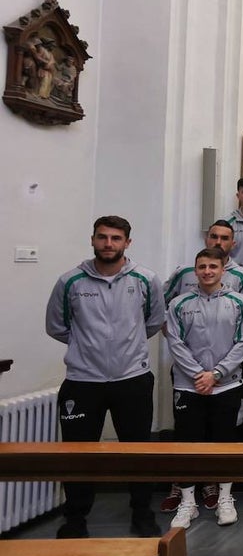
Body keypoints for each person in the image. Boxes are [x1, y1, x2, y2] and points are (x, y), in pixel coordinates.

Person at [45, 216, 165, 539]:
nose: (108, 243)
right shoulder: (70, 281)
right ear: (93, 240)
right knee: (77, 454)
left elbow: (153, 322)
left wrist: (126, 348)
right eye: (102, 237)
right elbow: (57, 326)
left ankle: (142, 513)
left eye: (115, 238)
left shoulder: (145, 279)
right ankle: (75, 519)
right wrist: (87, 348)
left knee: (138, 451)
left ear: (127, 242)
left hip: (132, 379)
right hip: (83, 381)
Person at [165, 247, 243, 529]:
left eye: (213, 267)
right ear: (195, 270)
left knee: (225, 442)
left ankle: (225, 498)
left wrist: (216, 374)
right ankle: (188, 502)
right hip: (189, 386)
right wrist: (198, 374)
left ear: (222, 270)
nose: (207, 272)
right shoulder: (179, 303)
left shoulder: (239, 302)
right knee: (187, 443)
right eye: (202, 267)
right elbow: (175, 342)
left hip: (226, 384)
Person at [164, 220, 243, 304]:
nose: (218, 242)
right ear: (206, 240)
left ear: (233, 244)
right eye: (214, 237)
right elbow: (161, 303)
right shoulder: (184, 272)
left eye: (224, 238)